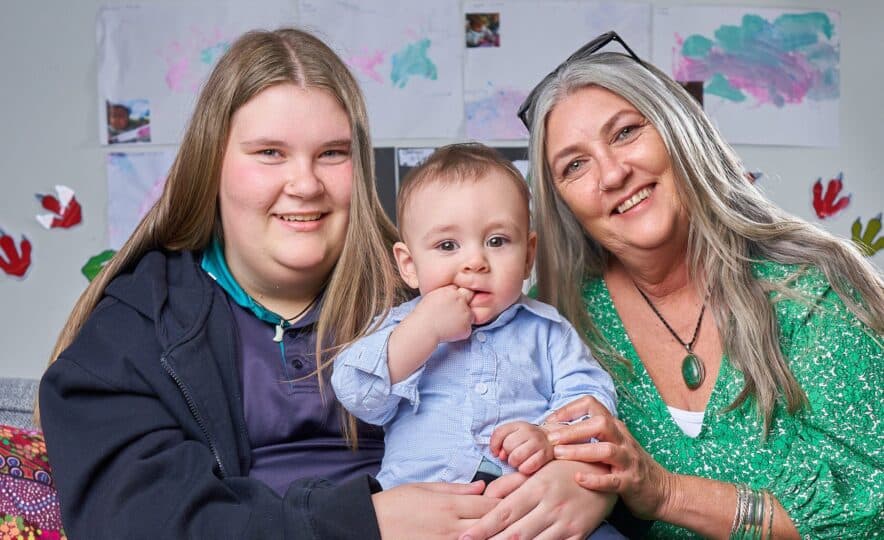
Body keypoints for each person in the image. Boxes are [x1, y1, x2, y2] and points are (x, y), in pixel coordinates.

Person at [39, 28, 615, 540]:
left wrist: (581, 481)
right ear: (211, 163)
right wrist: (368, 522)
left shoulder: (434, 288)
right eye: (270, 153)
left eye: (332, 154)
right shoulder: (140, 326)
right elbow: (136, 518)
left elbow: (562, 399)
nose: (305, 184)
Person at [466, 31, 883, 539]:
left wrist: (664, 492)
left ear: (678, 131)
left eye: (624, 133)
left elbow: (869, 512)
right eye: (575, 165)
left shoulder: (813, 288)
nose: (613, 173)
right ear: (562, 204)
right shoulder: (558, 324)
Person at [331, 144, 621, 537]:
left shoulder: (548, 331)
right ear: (410, 265)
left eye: (497, 241)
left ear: (528, 256)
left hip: (528, 515)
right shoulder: (399, 328)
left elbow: (591, 401)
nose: (475, 262)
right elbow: (358, 393)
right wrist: (423, 331)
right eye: (448, 246)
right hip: (427, 521)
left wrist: (548, 438)